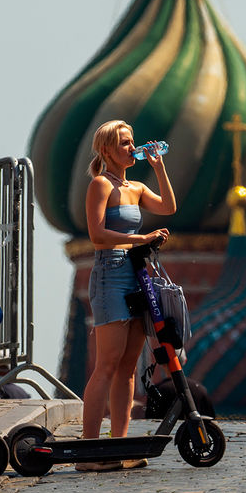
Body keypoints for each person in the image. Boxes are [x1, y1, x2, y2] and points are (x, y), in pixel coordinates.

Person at [80, 120, 176, 472]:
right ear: (106, 150)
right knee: (107, 363)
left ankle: (120, 445)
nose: (130, 147)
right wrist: (142, 239)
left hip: (137, 275)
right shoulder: (100, 185)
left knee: (128, 369)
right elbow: (98, 236)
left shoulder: (135, 186)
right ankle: (88, 451)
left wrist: (158, 165)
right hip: (110, 275)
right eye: (124, 143)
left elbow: (168, 207)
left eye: (131, 141)